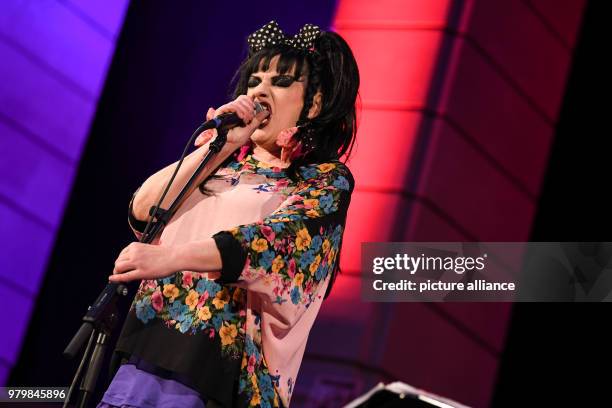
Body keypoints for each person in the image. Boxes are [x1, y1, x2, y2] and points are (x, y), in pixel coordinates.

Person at [98, 21, 359, 408]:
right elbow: (142, 209)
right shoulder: (218, 168)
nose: (259, 90)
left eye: (282, 81)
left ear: (314, 104)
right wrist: (217, 148)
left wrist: (170, 257)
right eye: (253, 80)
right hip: (146, 353)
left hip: (221, 377)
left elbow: (273, 246)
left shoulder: (319, 181)